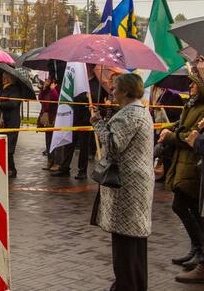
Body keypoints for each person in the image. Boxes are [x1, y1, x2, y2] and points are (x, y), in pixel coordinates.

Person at [90, 73, 154, 291]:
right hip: (135, 186)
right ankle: (133, 284)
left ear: (125, 91)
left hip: (128, 188)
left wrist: (98, 124)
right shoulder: (137, 112)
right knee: (133, 243)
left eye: (115, 87)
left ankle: (126, 286)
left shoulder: (130, 115)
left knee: (126, 246)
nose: (112, 91)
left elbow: (114, 144)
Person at [159, 70, 204, 274]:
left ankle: (200, 250)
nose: (190, 86)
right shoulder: (191, 103)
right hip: (182, 163)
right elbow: (182, 126)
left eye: (193, 83)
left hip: (192, 164)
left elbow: (191, 137)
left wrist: (169, 137)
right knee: (187, 206)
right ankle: (196, 247)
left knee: (186, 206)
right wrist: (167, 129)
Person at [53, 66, 107, 180]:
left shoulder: (97, 84)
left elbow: (101, 103)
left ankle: (82, 170)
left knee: (84, 145)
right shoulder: (77, 82)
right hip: (73, 116)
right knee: (69, 143)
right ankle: (64, 167)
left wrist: (93, 103)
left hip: (87, 119)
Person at [0, 72, 22, 178]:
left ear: (10, 79)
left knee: (9, 146)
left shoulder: (15, 90)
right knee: (1, 144)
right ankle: (2, 167)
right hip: (2, 121)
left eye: (5, 77)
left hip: (12, 121)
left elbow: (13, 103)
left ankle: (12, 169)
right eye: (2, 77)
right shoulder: (2, 89)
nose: (3, 79)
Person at [38, 78, 60, 170]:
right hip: (46, 117)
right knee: (48, 140)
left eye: (48, 80)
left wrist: (53, 89)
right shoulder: (46, 89)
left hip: (54, 117)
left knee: (54, 140)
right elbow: (41, 99)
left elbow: (56, 99)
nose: (46, 81)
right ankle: (49, 161)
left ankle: (56, 162)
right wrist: (44, 88)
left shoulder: (56, 88)